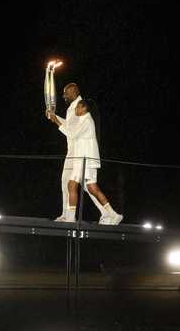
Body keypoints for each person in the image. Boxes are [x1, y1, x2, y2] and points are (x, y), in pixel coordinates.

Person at [46, 83, 123, 225]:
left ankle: (70, 217)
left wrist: (56, 119)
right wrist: (55, 117)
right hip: (78, 153)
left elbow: (72, 132)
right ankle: (109, 213)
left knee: (75, 185)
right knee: (85, 186)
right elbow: (71, 127)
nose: (63, 96)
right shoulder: (77, 110)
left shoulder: (83, 112)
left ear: (73, 92)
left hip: (81, 154)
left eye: (66, 93)